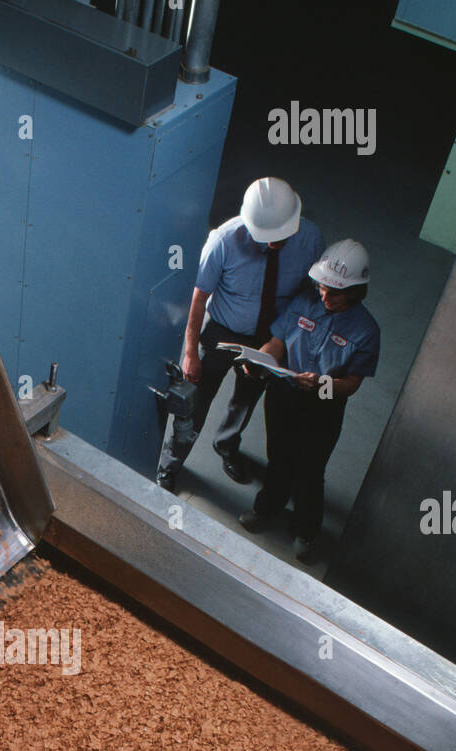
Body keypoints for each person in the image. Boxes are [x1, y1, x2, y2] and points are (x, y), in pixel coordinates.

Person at [158, 177, 323, 490]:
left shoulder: (311, 239)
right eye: (268, 239)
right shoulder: (223, 240)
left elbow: (308, 296)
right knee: (196, 402)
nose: (275, 244)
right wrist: (191, 353)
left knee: (245, 400)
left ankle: (226, 444)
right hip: (222, 332)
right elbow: (198, 298)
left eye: (282, 237)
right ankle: (170, 463)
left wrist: (277, 342)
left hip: (270, 337)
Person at [239, 239, 380, 562]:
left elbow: (352, 385)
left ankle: (306, 530)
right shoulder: (304, 301)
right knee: (278, 456)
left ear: (356, 291)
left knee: (310, 470)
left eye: (335, 292)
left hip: (323, 407)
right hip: (283, 395)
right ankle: (268, 508)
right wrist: (261, 358)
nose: (325, 296)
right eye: (322, 287)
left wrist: (322, 385)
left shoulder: (367, 331)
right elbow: (277, 341)